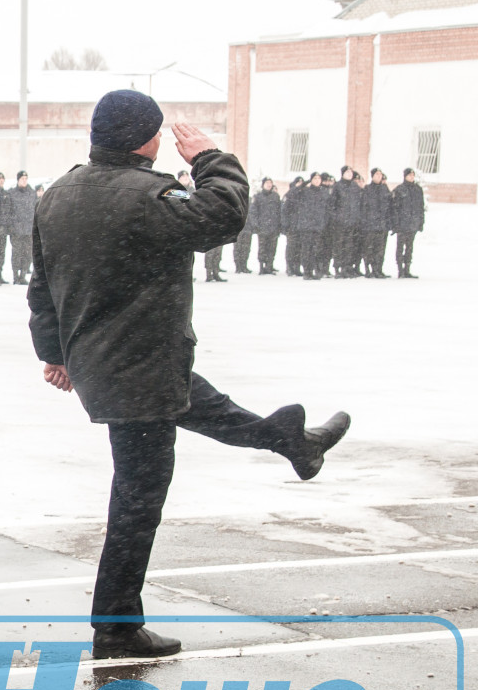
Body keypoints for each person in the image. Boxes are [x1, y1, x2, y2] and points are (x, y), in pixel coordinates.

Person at [27, 89, 350, 660]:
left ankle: (293, 440)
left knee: (205, 409)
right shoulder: (147, 195)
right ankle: (117, 626)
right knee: (138, 496)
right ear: (148, 140)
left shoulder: (59, 194)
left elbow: (41, 286)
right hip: (141, 365)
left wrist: (54, 353)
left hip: (109, 360)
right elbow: (224, 216)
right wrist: (210, 158)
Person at [390, 168, 424, 278]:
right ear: (405, 176)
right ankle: (400, 270)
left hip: (412, 224)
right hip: (402, 224)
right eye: (409, 175)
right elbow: (395, 208)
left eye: (413, 175)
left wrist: (420, 222)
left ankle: (407, 269)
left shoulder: (417, 189)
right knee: (400, 247)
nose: (411, 177)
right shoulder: (400, 189)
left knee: (409, 247)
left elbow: (420, 207)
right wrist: (396, 224)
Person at [7, 171, 37, 285]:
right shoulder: (12, 193)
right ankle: (15, 276)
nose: (24, 180)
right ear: (18, 180)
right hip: (16, 230)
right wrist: (11, 226)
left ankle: (23, 275)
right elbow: (8, 211)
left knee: (27, 253)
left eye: (26, 178)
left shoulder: (32, 193)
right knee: (16, 253)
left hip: (28, 229)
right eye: (22, 178)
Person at [360, 168, 392, 278]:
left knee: (380, 249)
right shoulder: (368, 189)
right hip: (370, 225)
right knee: (369, 248)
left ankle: (378, 269)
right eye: (377, 174)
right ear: (372, 176)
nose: (379, 176)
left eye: (380, 174)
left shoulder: (384, 189)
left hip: (382, 224)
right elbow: (364, 207)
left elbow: (389, 206)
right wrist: (365, 222)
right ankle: (368, 269)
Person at [249, 177, 282, 275]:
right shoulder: (258, 196)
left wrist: (279, 224)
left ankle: (269, 266)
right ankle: (261, 266)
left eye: (270, 183)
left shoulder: (275, 196)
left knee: (272, 248)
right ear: (263, 184)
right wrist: (256, 224)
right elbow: (253, 212)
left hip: (274, 227)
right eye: (267, 183)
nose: (269, 184)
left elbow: (279, 211)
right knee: (262, 247)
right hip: (262, 227)